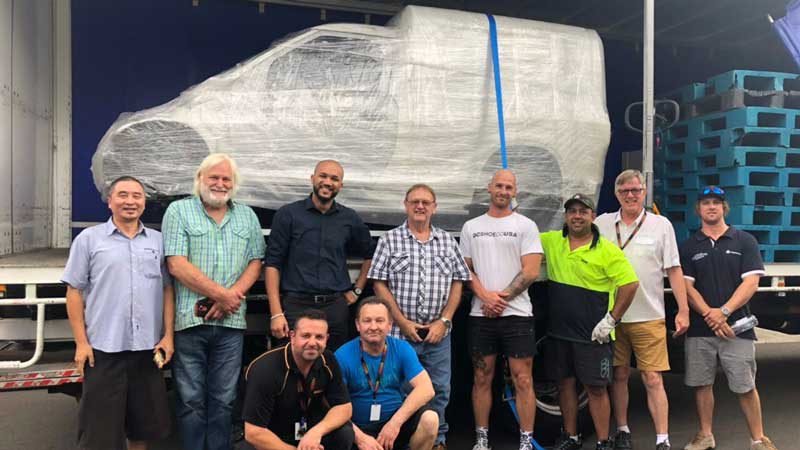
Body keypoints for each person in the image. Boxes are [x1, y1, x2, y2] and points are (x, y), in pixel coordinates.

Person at [162, 153, 266, 450]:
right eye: (214, 178)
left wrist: (229, 298)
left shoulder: (247, 216)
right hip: (190, 321)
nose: (220, 184)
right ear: (199, 180)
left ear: (233, 185)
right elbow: (176, 265)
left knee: (225, 398)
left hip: (231, 323)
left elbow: (256, 262)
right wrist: (223, 295)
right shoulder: (179, 211)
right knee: (190, 399)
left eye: (226, 179)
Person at [63, 176, 174, 450]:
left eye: (137, 196)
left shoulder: (158, 242)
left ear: (144, 203)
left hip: (147, 350)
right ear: (110, 201)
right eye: (123, 195)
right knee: (99, 433)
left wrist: (168, 336)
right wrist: (81, 342)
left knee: (142, 428)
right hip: (103, 350)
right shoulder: (89, 240)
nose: (130, 201)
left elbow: (168, 290)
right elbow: (74, 292)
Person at [367, 183, 471, 449]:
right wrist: (401, 322)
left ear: (434, 207)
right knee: (399, 388)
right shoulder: (390, 240)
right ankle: (401, 438)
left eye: (426, 202)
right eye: (415, 201)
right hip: (400, 333)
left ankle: (437, 439)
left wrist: (444, 321)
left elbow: (459, 281)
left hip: (439, 334)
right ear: (406, 205)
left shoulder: (447, 241)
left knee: (439, 388)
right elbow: (379, 283)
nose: (420, 206)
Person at [594, 170, 690, 450]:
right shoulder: (602, 223)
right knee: (619, 375)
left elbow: (673, 269)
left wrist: (683, 310)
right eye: (625, 191)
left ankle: (663, 438)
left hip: (649, 315)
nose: (631, 196)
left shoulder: (661, 225)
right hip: (612, 316)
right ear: (616, 195)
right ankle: (622, 429)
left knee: (652, 377)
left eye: (636, 190)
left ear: (644, 192)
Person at [679, 186, 778, 450]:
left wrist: (722, 313)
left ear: (724, 208)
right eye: (705, 203)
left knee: (745, 385)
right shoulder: (689, 246)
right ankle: (705, 435)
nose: (711, 207)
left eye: (716, 202)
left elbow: (751, 283)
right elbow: (687, 287)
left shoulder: (744, 240)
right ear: (698, 209)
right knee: (702, 384)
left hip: (737, 328)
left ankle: (758, 439)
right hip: (701, 329)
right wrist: (709, 315)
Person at [540, 193, 639, 450]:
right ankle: (571, 436)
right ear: (565, 216)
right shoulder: (552, 242)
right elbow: (521, 240)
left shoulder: (607, 250)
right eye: (572, 211)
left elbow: (630, 285)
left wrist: (612, 320)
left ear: (592, 216)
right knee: (564, 385)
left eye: (583, 211)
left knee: (596, 389)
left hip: (594, 335)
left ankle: (604, 441)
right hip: (560, 333)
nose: (577, 216)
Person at [459, 170, 543, 450]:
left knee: (523, 378)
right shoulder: (471, 227)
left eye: (508, 187)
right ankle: (482, 438)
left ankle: (526, 440)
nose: (503, 191)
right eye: (499, 185)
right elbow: (465, 270)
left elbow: (530, 271)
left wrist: (500, 299)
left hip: (517, 315)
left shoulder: (526, 225)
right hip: (480, 315)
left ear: (514, 191)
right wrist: (485, 296)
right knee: (482, 377)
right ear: (489, 188)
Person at [265, 159, 374, 351]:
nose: (328, 182)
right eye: (323, 176)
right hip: (296, 306)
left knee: (334, 367)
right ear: (312, 178)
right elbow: (273, 264)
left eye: (334, 178)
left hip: (335, 308)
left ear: (341, 185)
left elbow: (370, 254)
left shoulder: (349, 218)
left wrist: (357, 290)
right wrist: (276, 313)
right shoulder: (288, 214)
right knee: (292, 367)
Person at [335, 297, 439, 450]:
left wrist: (395, 423)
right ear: (357, 325)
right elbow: (333, 406)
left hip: (393, 428)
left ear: (389, 325)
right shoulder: (342, 356)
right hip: (357, 431)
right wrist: (361, 439)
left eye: (379, 320)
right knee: (340, 431)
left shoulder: (402, 348)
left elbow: (426, 389)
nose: (373, 326)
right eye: (367, 321)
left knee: (430, 419)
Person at [243, 309, 355, 450]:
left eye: (319, 337)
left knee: (344, 432)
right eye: (306, 336)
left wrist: (316, 432)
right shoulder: (266, 369)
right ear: (292, 336)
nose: (312, 342)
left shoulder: (328, 359)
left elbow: (344, 407)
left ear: (327, 339)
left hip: (305, 433)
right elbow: (253, 433)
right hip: (268, 435)